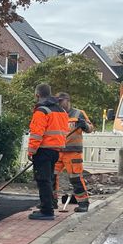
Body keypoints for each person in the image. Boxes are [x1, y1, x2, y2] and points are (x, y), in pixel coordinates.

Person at [27, 84, 69, 220]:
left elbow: (36, 134)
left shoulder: (42, 111)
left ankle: (46, 210)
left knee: (43, 180)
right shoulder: (61, 111)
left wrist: (31, 151)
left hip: (43, 150)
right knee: (49, 179)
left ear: (37, 95)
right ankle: (48, 204)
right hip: (56, 150)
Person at [54, 92, 93, 212]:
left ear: (67, 100)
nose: (59, 103)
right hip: (57, 150)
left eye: (61, 101)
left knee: (75, 177)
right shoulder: (56, 114)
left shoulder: (78, 113)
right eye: (57, 101)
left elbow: (91, 128)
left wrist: (84, 125)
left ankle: (83, 203)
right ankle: (51, 201)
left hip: (72, 152)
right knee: (51, 176)